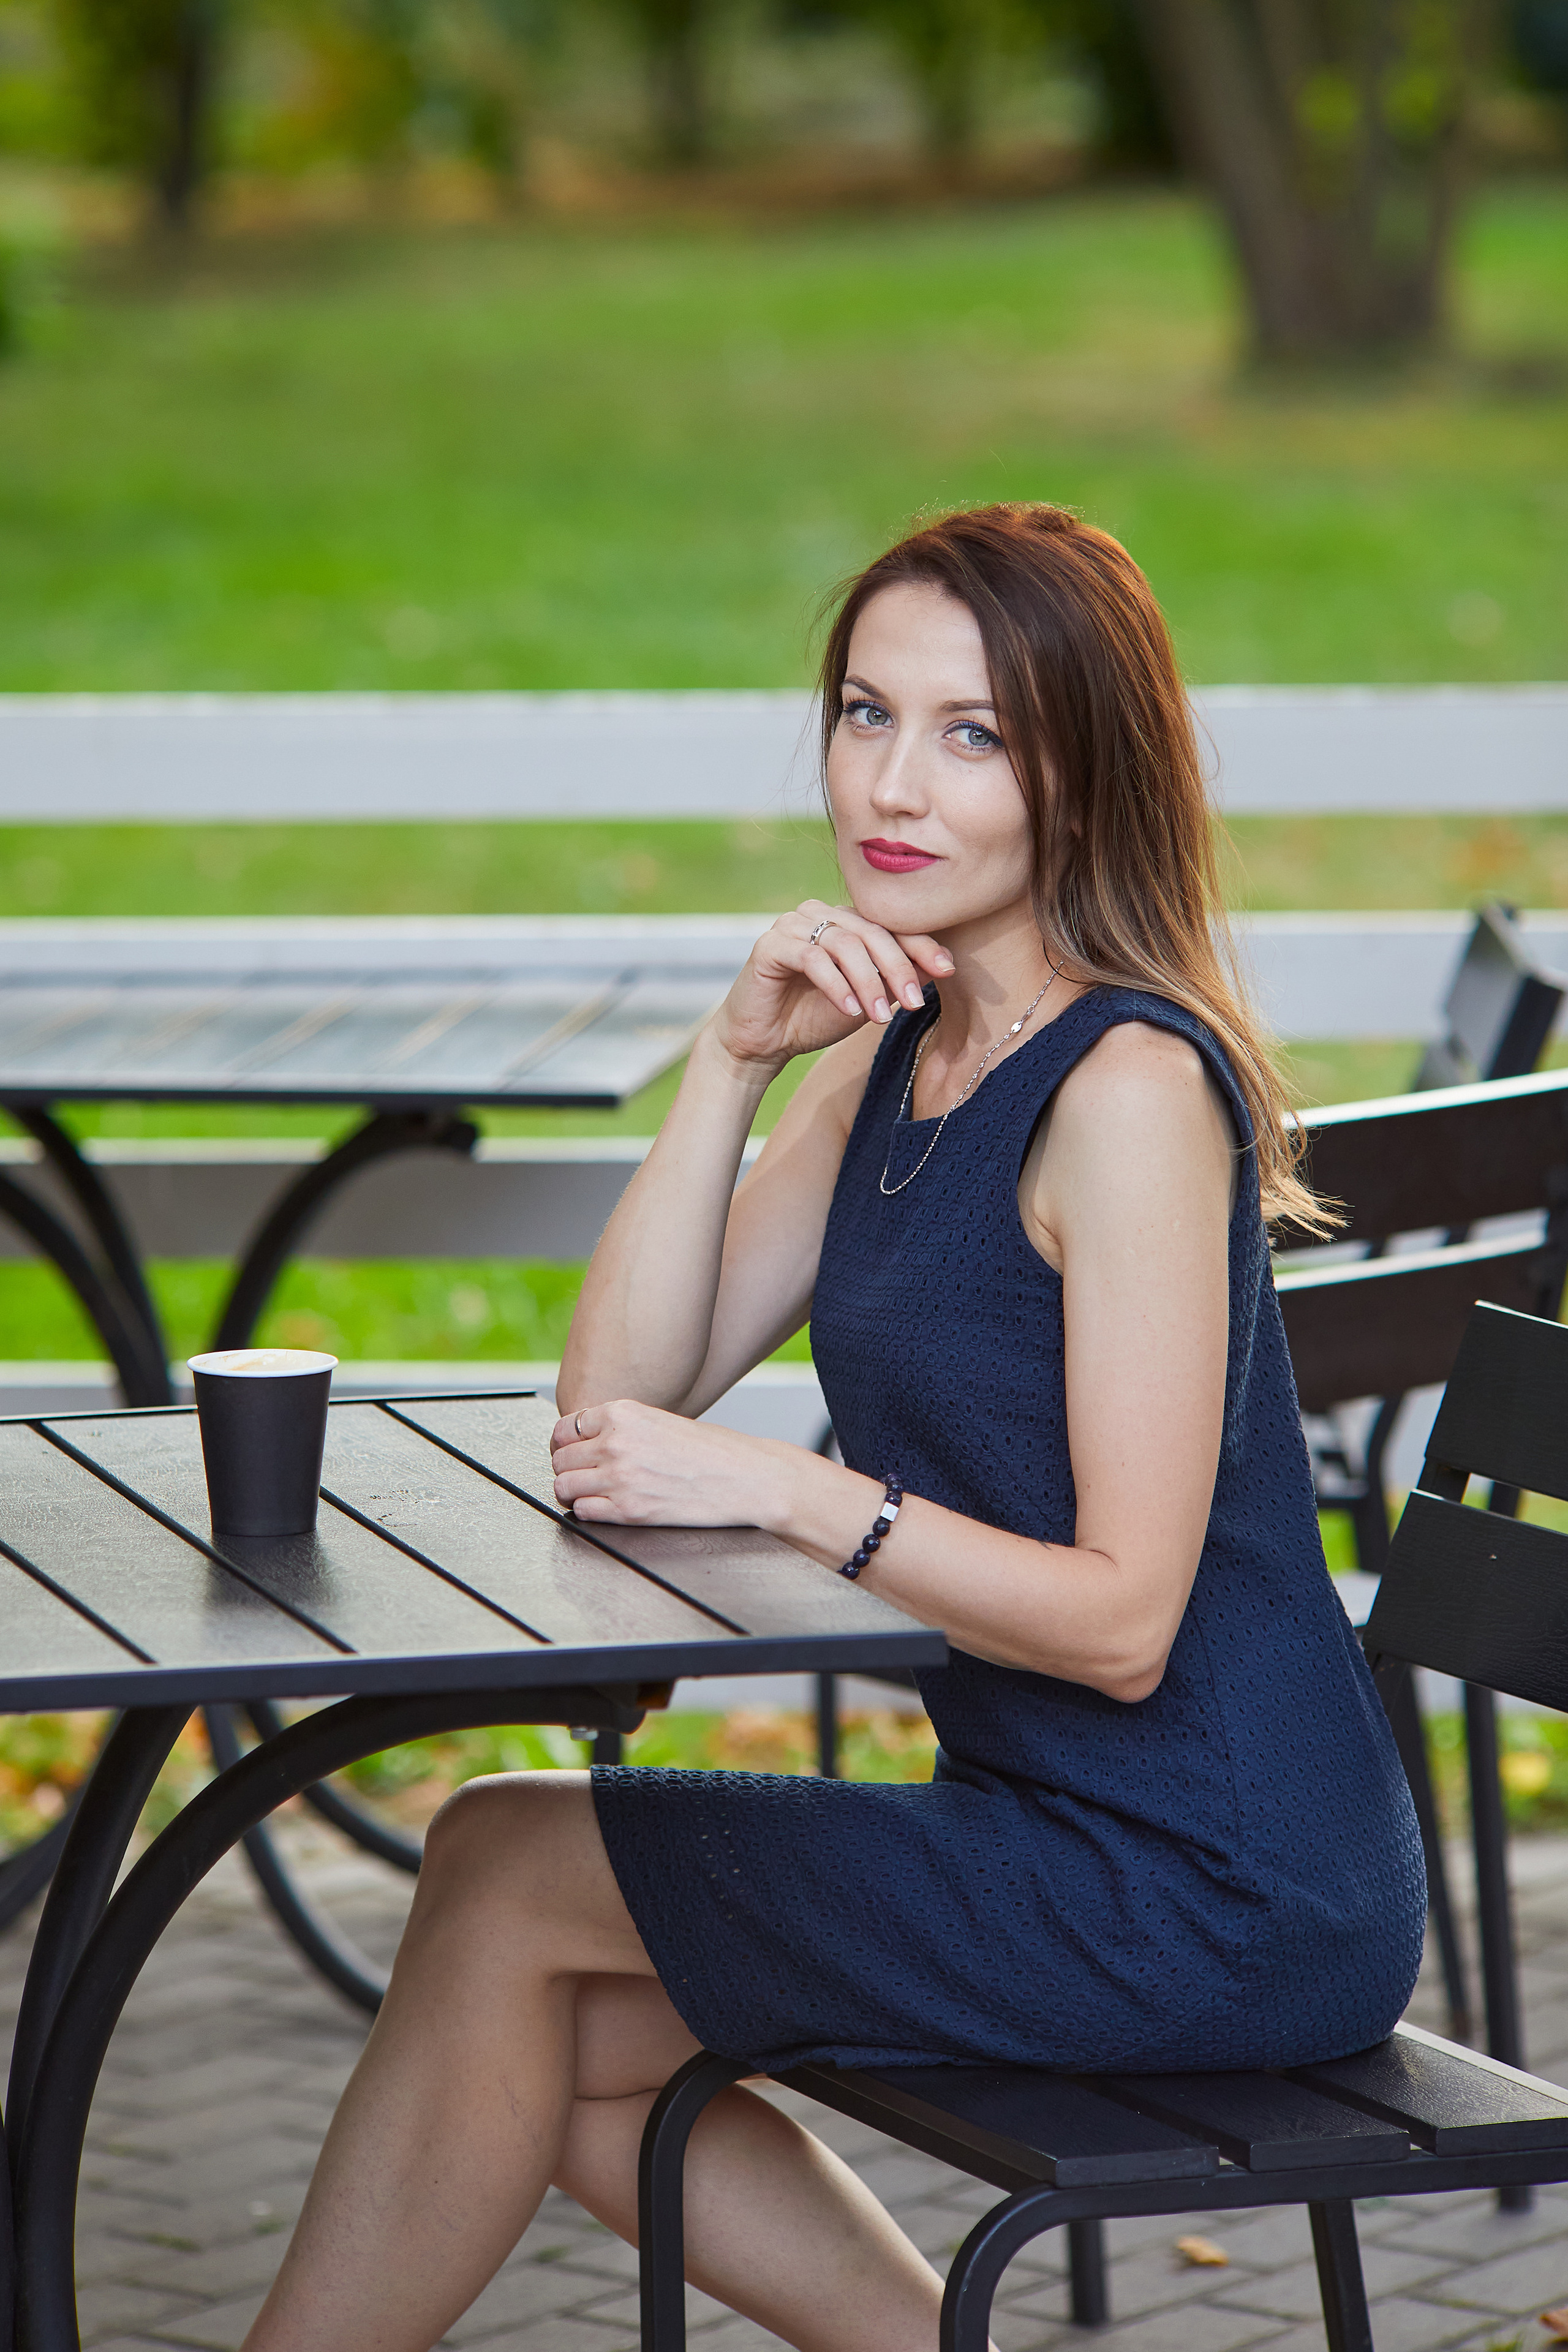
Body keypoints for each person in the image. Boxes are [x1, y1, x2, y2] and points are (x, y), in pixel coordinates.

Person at [243, 503, 1425, 2352]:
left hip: (1225, 1881)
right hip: (1050, 1823)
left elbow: (1124, 1622)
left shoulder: (1125, 1091)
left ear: (1083, 776)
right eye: (866, 713)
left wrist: (789, 1493)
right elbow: (618, 1406)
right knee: (538, 2021)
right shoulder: (898, 1039)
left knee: (495, 1866)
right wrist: (732, 1060)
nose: (895, 782)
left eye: (974, 735)